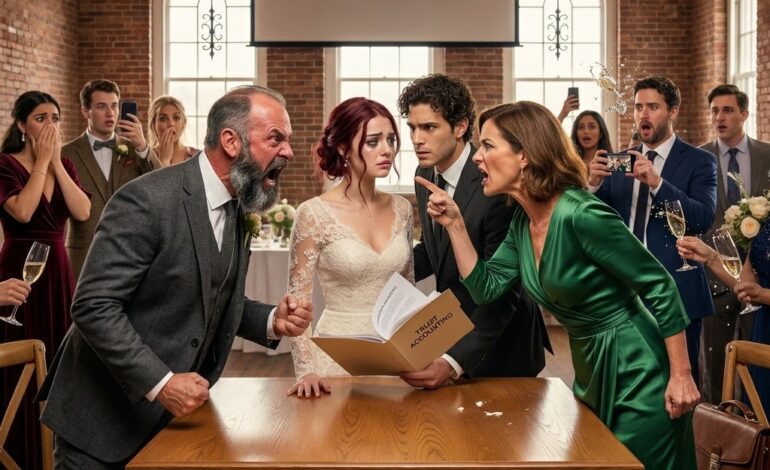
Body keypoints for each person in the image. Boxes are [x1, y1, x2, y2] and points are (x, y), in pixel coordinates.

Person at [38, 85, 313, 468]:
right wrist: (161, 382)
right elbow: (93, 306)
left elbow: (211, 295)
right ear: (231, 141)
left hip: (172, 425)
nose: (288, 152)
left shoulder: (236, 206)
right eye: (276, 138)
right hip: (102, 424)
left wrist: (271, 320)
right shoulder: (147, 200)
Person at [420, 100, 698, 469]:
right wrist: (455, 225)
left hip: (638, 370)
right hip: (590, 372)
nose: (477, 157)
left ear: (524, 155)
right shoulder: (522, 222)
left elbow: (659, 286)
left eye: (487, 145)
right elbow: (486, 287)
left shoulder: (582, 214)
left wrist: (681, 375)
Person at [397, 73, 549, 389]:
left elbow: (504, 294)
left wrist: (454, 362)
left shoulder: (497, 181)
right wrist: (386, 268)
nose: (416, 139)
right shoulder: (424, 173)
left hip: (503, 345)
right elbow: (435, 250)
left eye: (429, 127)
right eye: (412, 127)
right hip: (450, 329)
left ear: (460, 127)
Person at [589, 75, 717, 383]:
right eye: (638, 107)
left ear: (673, 111)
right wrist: (591, 185)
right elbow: (595, 222)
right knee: (627, 383)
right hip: (623, 292)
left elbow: (702, 218)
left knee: (680, 383)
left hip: (677, 289)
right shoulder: (619, 161)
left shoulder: (700, 161)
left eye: (653, 107)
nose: (643, 114)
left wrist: (658, 184)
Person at [286, 97, 413, 397]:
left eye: (391, 140)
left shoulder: (403, 209)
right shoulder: (313, 213)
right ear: (343, 148)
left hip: (395, 358)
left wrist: (418, 350)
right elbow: (296, 304)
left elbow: (408, 289)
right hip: (336, 360)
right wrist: (306, 370)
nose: (387, 150)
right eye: (373, 141)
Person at [0, 90, 91, 469]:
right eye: (41, 118)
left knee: (59, 356)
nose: (50, 125)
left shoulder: (64, 164)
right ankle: (19, 451)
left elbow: (83, 211)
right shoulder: (5, 163)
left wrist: (54, 163)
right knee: (21, 362)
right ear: (22, 125)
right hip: (18, 270)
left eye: (55, 118)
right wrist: (40, 163)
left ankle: (56, 454)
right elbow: (23, 212)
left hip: (58, 271)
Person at [697, 84, 770, 403]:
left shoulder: (767, 154)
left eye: (727, 110)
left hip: (761, 281)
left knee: (759, 364)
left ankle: (756, 424)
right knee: (715, 366)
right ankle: (719, 426)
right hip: (714, 277)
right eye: (714, 111)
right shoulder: (699, 158)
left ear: (744, 113)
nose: (719, 117)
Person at [64, 79, 161, 280]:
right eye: (101, 107)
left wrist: (143, 147)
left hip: (129, 252)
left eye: (114, 106)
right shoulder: (66, 153)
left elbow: (161, 183)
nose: (111, 113)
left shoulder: (135, 149)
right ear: (85, 111)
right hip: (83, 254)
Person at [678, 232, 770, 410]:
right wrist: (710, 257)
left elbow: (758, 291)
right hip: (763, 329)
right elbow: (746, 282)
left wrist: (764, 294)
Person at [148, 95, 200, 166]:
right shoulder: (145, 159)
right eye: (163, 119)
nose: (171, 123)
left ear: (183, 124)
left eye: (176, 118)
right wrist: (164, 160)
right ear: (153, 125)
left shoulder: (198, 158)